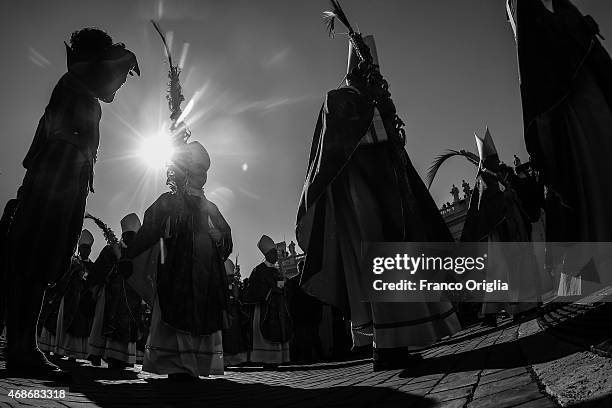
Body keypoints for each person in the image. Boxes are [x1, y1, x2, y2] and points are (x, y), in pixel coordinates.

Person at [296, 35, 461, 371]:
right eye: (368, 69)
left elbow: (389, 146)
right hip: (360, 198)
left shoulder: (371, 100)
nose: (373, 75)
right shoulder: (338, 99)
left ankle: (394, 344)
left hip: (384, 192)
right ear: (356, 70)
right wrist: (377, 117)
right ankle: (387, 346)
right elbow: (342, 145)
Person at [5, 27, 139, 379]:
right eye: (117, 78)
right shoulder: (76, 89)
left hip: (58, 186)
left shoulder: (79, 91)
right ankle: (22, 347)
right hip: (55, 187)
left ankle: (22, 344)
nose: (118, 86)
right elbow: (60, 139)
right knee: (34, 262)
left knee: (36, 265)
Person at [507, 0, 612, 355]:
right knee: (591, 195)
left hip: (578, 110)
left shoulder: (538, 17)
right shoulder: (540, 16)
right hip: (576, 112)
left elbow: (535, 82)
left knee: (592, 192)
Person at [120, 141, 232, 381]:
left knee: (203, 316)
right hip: (177, 270)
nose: (202, 176)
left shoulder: (211, 207)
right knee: (177, 313)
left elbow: (227, 240)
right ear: (187, 171)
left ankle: (198, 365)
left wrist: (220, 238)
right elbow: (149, 230)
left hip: (206, 273)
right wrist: (130, 256)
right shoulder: (169, 201)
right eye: (197, 170)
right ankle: (176, 365)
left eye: (205, 172)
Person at [460, 129, 544, 326]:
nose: (497, 161)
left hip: (514, 228)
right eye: (493, 158)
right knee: (504, 271)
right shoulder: (483, 179)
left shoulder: (497, 176)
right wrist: (504, 198)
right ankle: (516, 308)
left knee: (513, 269)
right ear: (486, 161)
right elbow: (486, 205)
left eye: (497, 158)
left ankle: (521, 306)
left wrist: (511, 194)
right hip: (500, 233)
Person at [88, 213, 143, 368]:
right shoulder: (111, 250)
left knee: (129, 324)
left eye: (134, 235)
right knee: (105, 322)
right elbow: (98, 271)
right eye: (128, 235)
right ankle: (104, 354)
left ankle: (125, 357)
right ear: (123, 234)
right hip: (111, 294)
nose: (131, 238)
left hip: (132, 296)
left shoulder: (139, 253)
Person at [244, 235, 291, 367]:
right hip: (265, 308)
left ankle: (278, 359)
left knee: (280, 330)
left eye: (276, 252)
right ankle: (267, 360)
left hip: (279, 307)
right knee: (267, 332)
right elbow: (252, 290)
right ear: (266, 255)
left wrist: (284, 288)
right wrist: (270, 291)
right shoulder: (258, 270)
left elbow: (283, 287)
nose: (275, 255)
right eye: (272, 253)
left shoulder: (278, 270)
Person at [53, 230, 98, 360]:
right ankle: (61, 350)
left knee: (80, 327)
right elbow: (63, 278)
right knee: (66, 324)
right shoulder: (72, 262)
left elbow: (93, 281)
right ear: (79, 248)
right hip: (70, 297)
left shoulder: (93, 265)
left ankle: (76, 353)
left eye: (88, 248)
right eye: (83, 248)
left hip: (84, 300)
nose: (86, 251)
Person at [287, 260, 323, 363]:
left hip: (302, 313)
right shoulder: (309, 280)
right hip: (305, 312)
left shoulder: (293, 281)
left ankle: (305, 356)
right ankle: (313, 356)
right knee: (309, 335)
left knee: (304, 335)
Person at [222, 259, 248, 367]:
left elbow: (239, 299)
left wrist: (237, 295)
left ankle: (236, 360)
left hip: (235, 314)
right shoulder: (220, 286)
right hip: (225, 315)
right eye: (229, 277)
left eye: (232, 277)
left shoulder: (235, 285)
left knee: (235, 338)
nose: (231, 279)